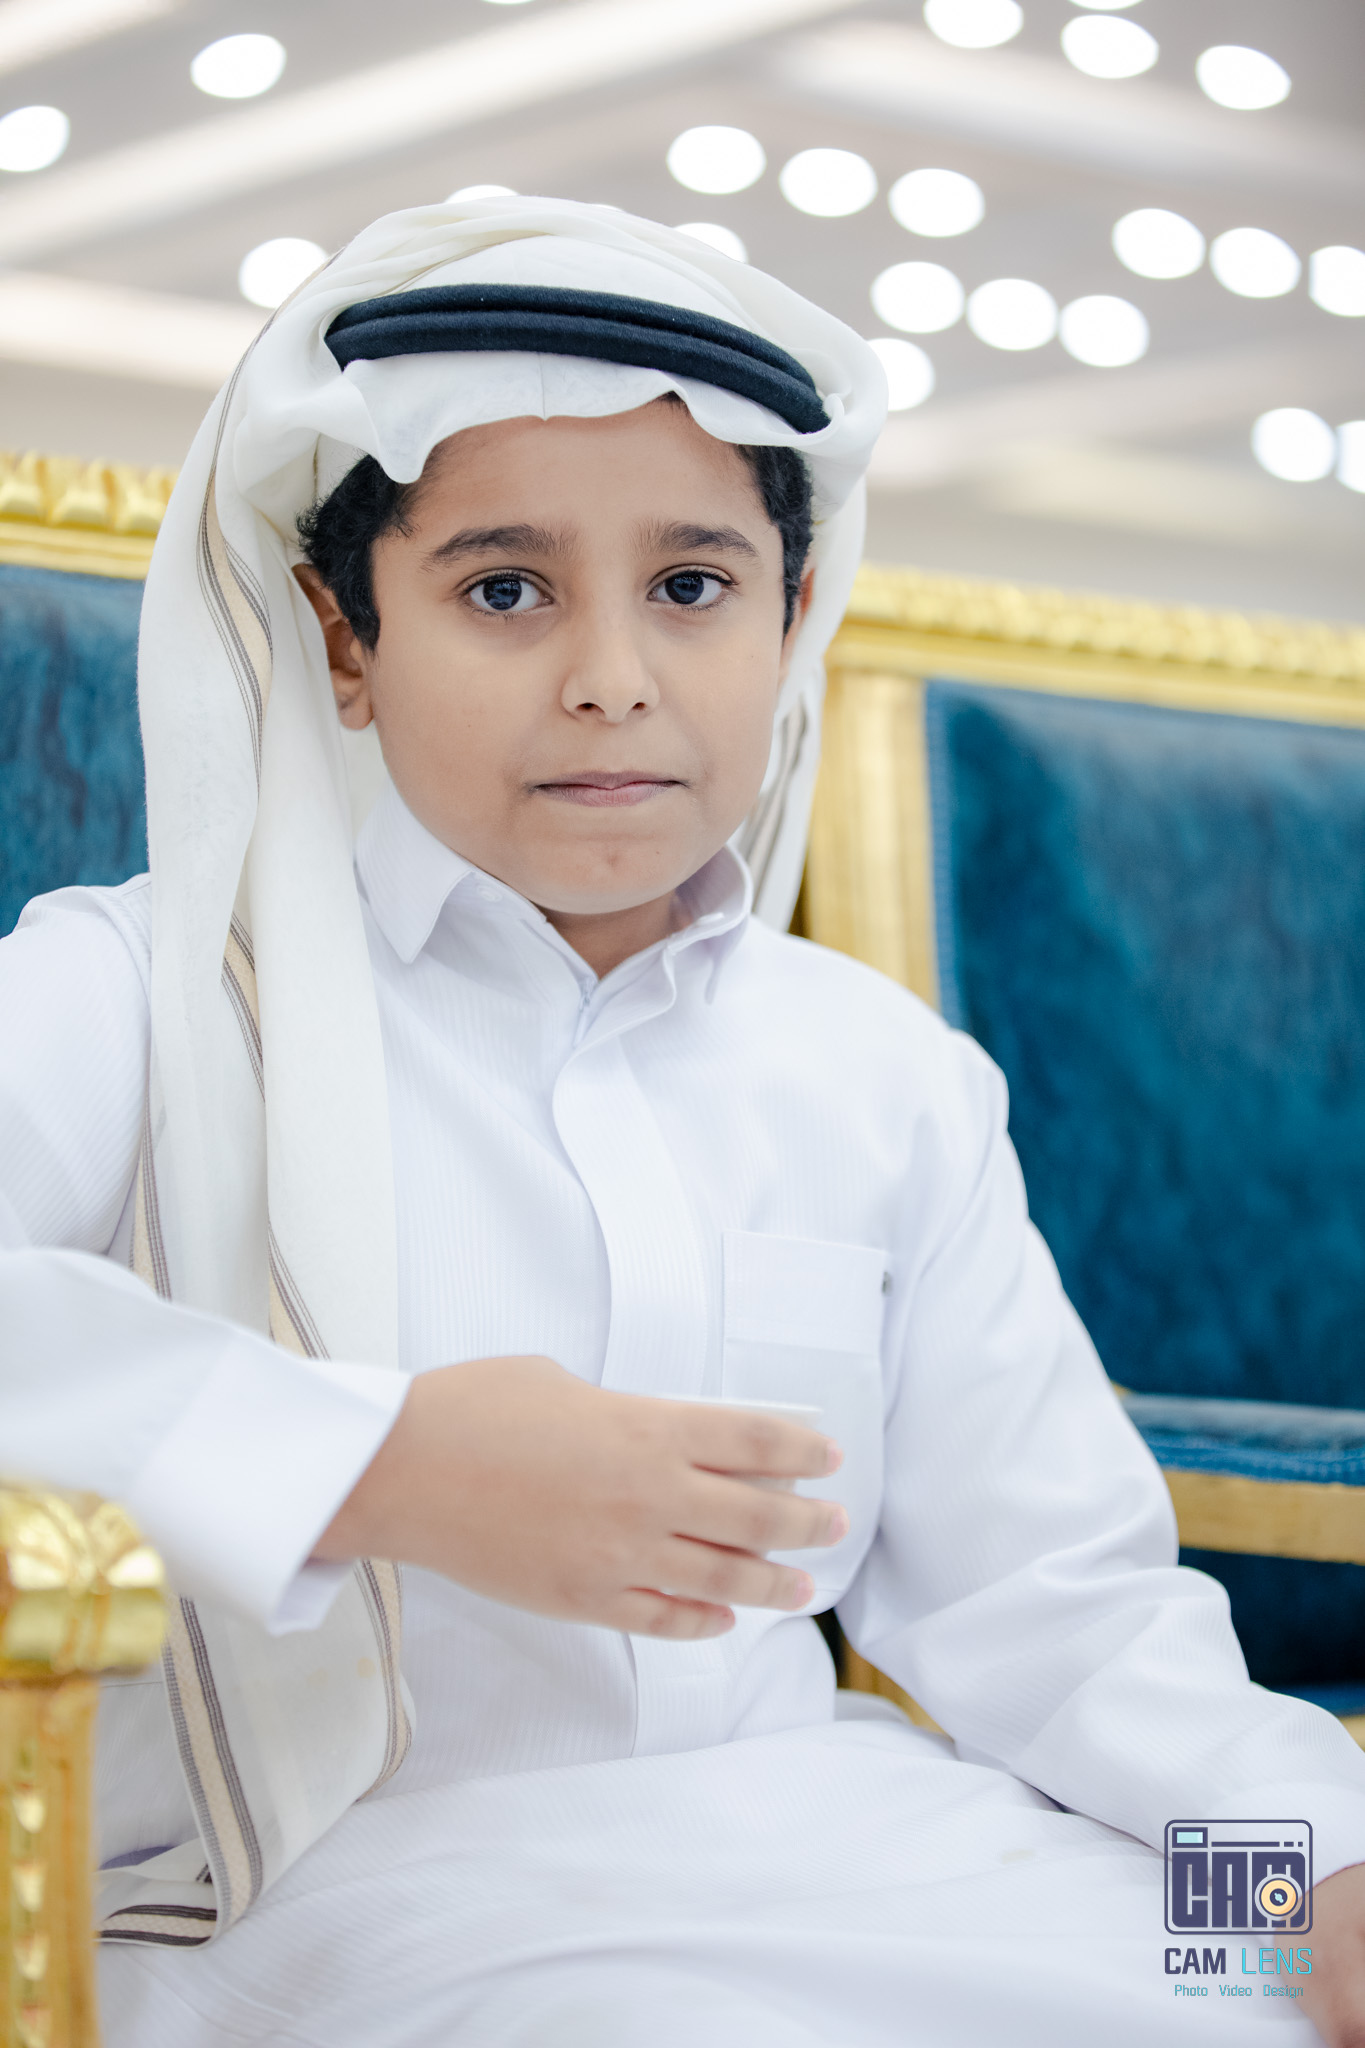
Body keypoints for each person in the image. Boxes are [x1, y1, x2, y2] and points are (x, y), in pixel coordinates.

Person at [2, 196, 1365, 2047]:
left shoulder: (883, 1074)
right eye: (504, 590)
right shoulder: (129, 992)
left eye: (692, 587)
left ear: (793, 619)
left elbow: (1061, 1614)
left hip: (860, 1842)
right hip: (346, 1900)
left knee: (1258, 1993)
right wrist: (372, 1465)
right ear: (343, 640)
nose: (610, 675)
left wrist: (1308, 1871)